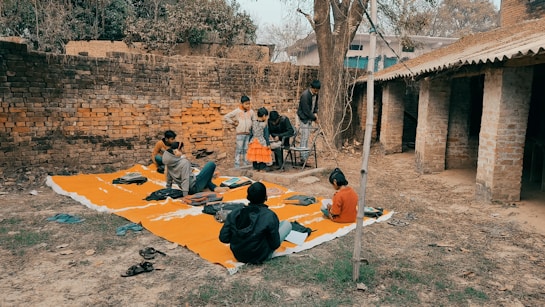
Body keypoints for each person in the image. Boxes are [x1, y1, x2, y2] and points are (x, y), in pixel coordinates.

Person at [219, 182, 292, 264]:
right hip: (260, 256)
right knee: (286, 224)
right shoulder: (269, 215)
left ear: (248, 197)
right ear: (265, 197)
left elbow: (224, 238)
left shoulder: (235, 212)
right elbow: (275, 244)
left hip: (239, 255)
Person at [162, 141, 227, 196]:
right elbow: (185, 179)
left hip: (189, 187)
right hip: (194, 187)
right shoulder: (184, 162)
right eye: (176, 152)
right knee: (211, 164)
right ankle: (213, 187)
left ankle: (214, 187)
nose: (179, 151)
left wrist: (168, 190)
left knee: (203, 175)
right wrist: (185, 195)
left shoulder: (169, 165)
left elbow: (169, 180)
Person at [224, 95, 254, 168]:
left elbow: (254, 120)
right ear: (242, 104)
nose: (248, 105)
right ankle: (237, 165)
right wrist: (233, 123)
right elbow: (226, 117)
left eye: (249, 103)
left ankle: (245, 164)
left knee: (246, 150)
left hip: (248, 134)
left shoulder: (251, 112)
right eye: (246, 104)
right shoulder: (237, 111)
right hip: (240, 134)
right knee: (239, 149)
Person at [296, 79, 320, 164]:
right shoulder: (305, 95)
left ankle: (305, 156)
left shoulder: (316, 95)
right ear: (311, 88)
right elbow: (306, 110)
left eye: (317, 91)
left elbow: (315, 105)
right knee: (304, 137)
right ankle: (303, 158)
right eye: (315, 90)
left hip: (309, 117)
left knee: (307, 137)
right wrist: (314, 118)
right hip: (303, 117)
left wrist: (315, 113)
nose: (316, 92)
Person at [246, 107, 272, 172]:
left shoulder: (253, 123)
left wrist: (249, 141)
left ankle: (255, 167)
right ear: (263, 116)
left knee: (255, 155)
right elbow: (266, 135)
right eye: (266, 116)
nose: (266, 118)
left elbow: (251, 133)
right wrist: (268, 144)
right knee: (262, 155)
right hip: (261, 142)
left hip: (254, 141)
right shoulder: (264, 124)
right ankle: (262, 168)